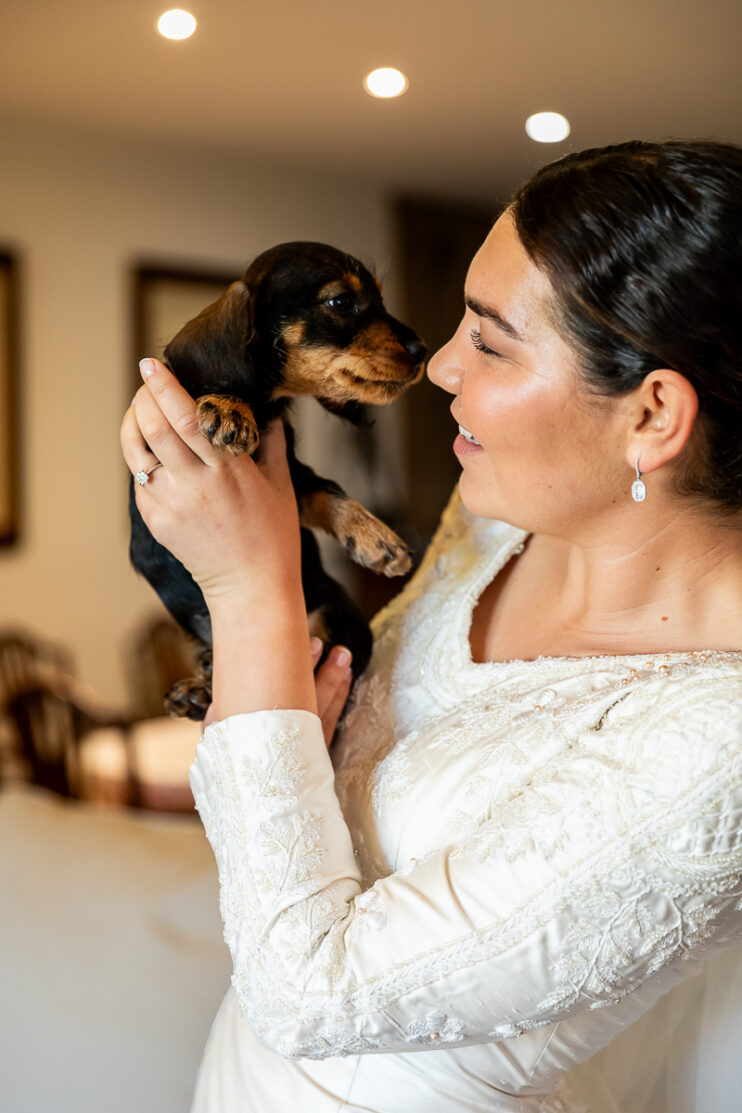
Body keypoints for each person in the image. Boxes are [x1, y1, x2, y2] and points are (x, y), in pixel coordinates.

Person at [121, 139, 742, 1113]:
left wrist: (252, 600)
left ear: (652, 413)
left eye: (490, 342)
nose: (439, 364)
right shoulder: (489, 524)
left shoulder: (715, 748)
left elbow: (309, 994)